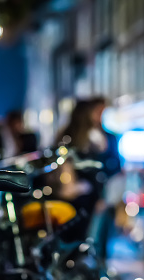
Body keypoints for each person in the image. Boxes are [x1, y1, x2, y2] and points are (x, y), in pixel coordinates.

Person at [57, 98, 121, 247]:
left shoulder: (104, 136)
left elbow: (113, 165)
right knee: (83, 236)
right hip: (81, 194)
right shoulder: (74, 137)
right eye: (97, 112)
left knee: (97, 235)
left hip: (97, 193)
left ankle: (92, 263)